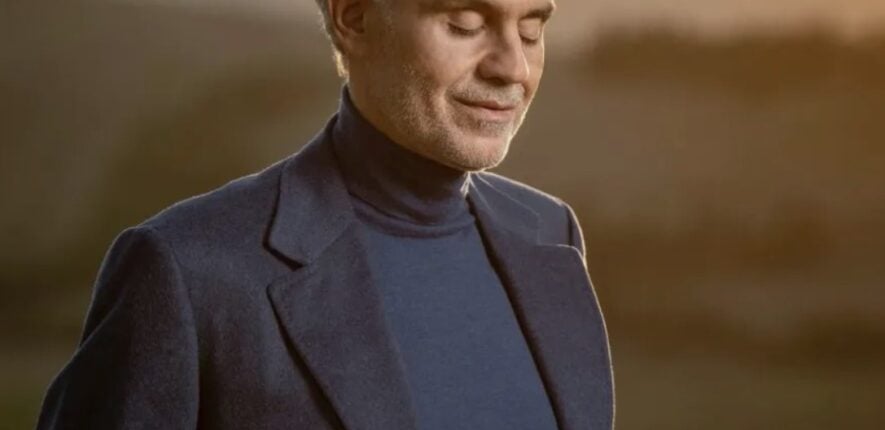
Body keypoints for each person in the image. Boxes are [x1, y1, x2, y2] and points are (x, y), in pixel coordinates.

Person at [36, 0, 613, 428]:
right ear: (352, 18)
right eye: (464, 23)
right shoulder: (186, 271)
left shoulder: (551, 232)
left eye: (532, 29)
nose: (513, 68)